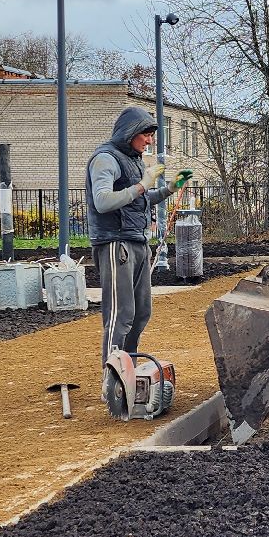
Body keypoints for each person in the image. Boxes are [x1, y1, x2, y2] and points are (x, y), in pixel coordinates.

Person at [87, 106, 175, 381]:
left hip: (137, 241)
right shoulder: (105, 159)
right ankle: (112, 377)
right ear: (130, 133)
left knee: (140, 313)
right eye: (146, 135)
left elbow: (140, 200)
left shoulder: (133, 159)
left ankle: (129, 368)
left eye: (151, 135)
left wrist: (168, 189)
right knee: (120, 314)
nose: (149, 141)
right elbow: (103, 201)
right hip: (115, 244)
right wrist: (141, 185)